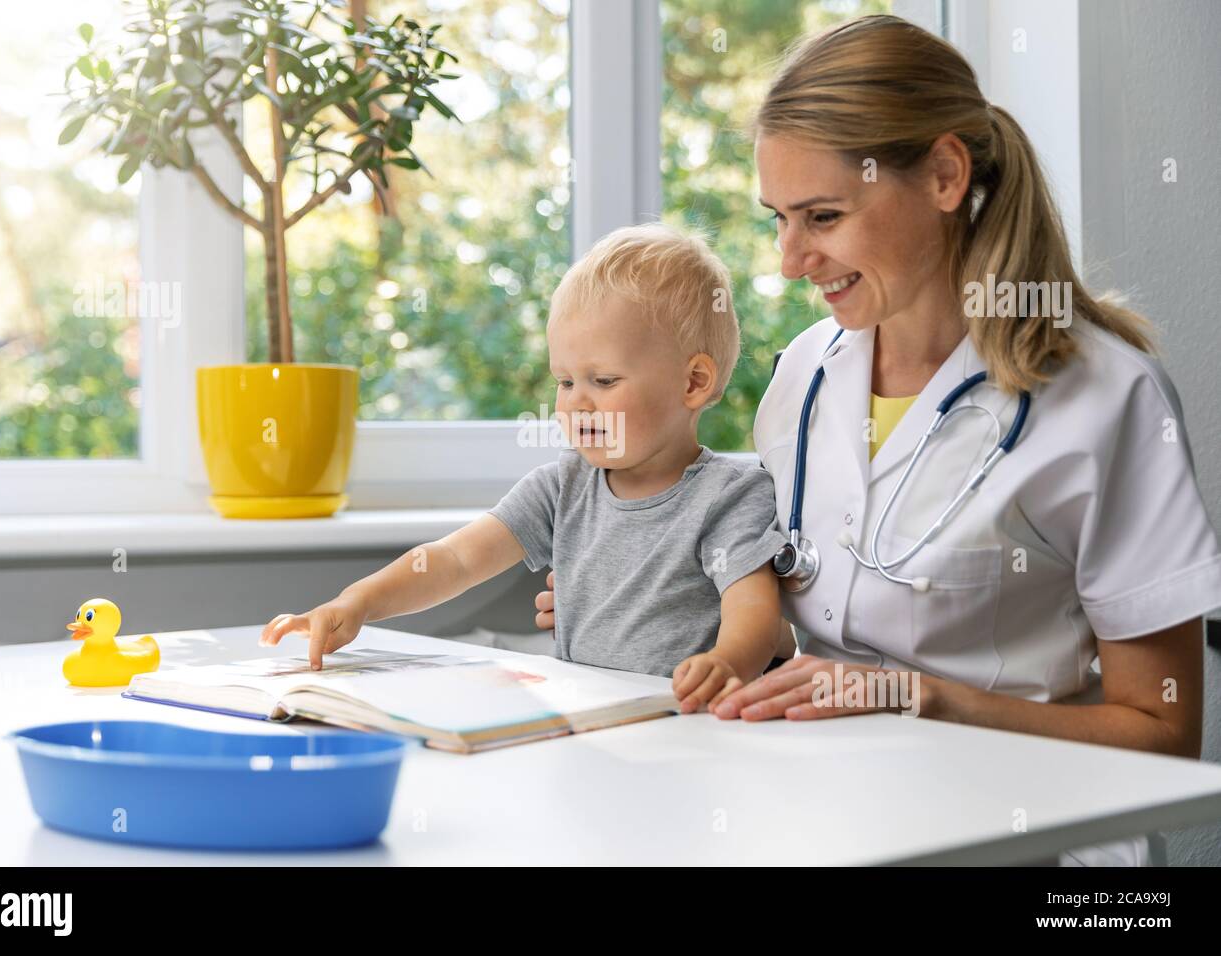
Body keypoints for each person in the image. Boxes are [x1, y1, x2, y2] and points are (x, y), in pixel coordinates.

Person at [535, 16, 1221, 866]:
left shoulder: (1105, 399)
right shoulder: (804, 380)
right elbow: (805, 632)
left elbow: (1164, 735)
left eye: (823, 215)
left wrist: (914, 697)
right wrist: (648, 598)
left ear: (943, 174)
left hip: (1029, 848)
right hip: (823, 814)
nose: (790, 260)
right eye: (779, 218)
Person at [261, 224, 787, 714]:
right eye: (564, 382)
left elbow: (755, 614)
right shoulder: (562, 486)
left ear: (693, 382)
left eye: (603, 382)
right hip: (591, 717)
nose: (576, 404)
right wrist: (357, 603)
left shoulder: (728, 496)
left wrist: (726, 665)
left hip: (688, 723)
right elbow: (453, 560)